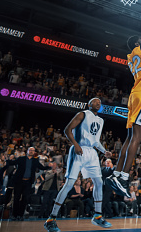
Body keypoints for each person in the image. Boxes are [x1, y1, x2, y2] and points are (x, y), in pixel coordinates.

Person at [107, 0, 141, 197]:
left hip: (134, 95)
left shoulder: (132, 56)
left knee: (130, 137)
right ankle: (123, 178)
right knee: (137, 138)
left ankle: (116, 174)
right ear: (139, 43)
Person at [44, 98, 112, 232]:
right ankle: (51, 219)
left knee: (99, 182)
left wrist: (105, 151)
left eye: (100, 102)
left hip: (92, 153)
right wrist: (75, 145)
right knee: (70, 183)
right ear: (89, 104)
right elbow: (67, 129)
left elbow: (95, 141)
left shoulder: (100, 120)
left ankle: (97, 216)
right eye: (95, 101)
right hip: (79, 149)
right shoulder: (83, 114)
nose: (98, 103)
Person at [6, 146, 51, 221]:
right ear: (27, 151)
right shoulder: (21, 158)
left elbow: (41, 167)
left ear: (34, 152)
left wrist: (48, 167)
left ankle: (20, 215)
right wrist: (8, 159)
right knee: (16, 198)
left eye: (33, 150)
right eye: (30, 150)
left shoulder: (35, 160)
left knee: (24, 199)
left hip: (28, 182)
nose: (31, 151)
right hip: (19, 182)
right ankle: (14, 215)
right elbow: (12, 163)